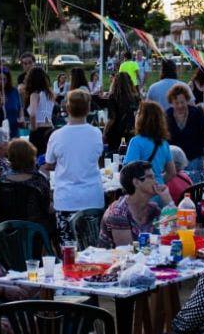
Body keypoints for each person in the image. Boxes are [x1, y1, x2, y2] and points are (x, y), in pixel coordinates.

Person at [41, 89, 103, 231]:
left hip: (66, 198)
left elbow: (49, 163)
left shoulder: (57, 135)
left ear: (67, 108)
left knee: (68, 248)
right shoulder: (96, 133)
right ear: (88, 109)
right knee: (92, 247)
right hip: (92, 197)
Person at [99, 161, 171, 247]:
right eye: (151, 177)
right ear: (136, 182)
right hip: (114, 259)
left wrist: (168, 201)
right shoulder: (118, 213)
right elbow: (127, 252)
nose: (156, 182)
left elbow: (175, 233)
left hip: (144, 257)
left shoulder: (153, 209)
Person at [166, 83, 204, 181]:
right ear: (171, 102)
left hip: (194, 158)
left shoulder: (196, 113)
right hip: (175, 162)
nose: (180, 105)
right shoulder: (167, 115)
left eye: (182, 102)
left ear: (187, 100)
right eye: (176, 103)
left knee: (193, 186)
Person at [124, 100, 176, 184]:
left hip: (144, 193)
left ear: (142, 118)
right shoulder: (164, 143)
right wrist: (158, 180)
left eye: (137, 113)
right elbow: (172, 172)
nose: (135, 115)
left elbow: (128, 171)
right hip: (160, 191)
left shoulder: (136, 141)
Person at [103, 70, 138, 154]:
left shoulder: (113, 97)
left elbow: (112, 118)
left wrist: (104, 132)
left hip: (115, 132)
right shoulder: (135, 98)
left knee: (114, 156)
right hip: (130, 132)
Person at [23, 66, 55, 155]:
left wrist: (33, 127)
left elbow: (33, 114)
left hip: (39, 130)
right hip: (50, 127)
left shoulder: (35, 94)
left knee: (36, 158)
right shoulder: (50, 94)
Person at [0, 71, 22, 136]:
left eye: (4, 79)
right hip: (0, 130)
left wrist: (21, 117)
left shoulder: (14, 91)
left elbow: (20, 107)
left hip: (14, 129)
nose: (1, 82)